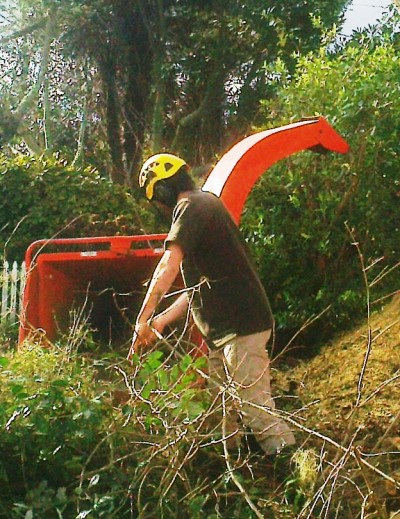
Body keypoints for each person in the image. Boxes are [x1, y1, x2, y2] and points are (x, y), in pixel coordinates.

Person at [128, 152, 295, 455]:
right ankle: (231, 467)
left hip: (239, 325)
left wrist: (143, 316)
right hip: (224, 331)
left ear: (161, 191)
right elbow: (197, 287)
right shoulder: (203, 206)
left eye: (156, 199)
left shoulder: (191, 206)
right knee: (222, 411)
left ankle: (294, 470)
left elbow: (169, 264)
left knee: (254, 406)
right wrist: (161, 320)